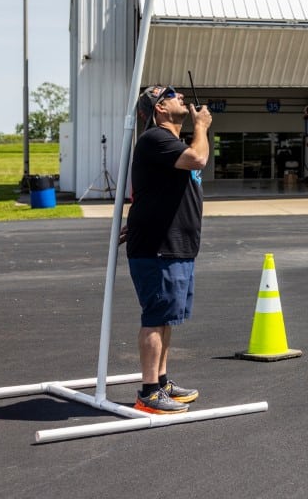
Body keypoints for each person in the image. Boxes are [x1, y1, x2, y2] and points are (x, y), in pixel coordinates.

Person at [123, 85, 213, 414]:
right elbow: (198, 157)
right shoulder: (155, 139)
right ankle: (149, 391)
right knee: (156, 317)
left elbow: (154, 192)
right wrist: (200, 126)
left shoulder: (170, 144)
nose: (182, 100)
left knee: (167, 319)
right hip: (158, 247)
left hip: (176, 246)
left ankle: (161, 382)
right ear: (160, 108)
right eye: (175, 97)